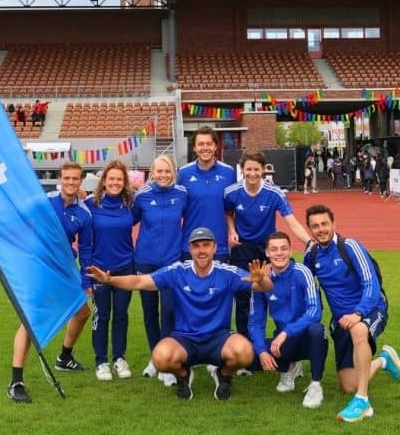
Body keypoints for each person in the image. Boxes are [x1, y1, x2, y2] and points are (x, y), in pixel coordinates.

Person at [85, 227, 272, 401]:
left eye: (206, 245)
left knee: (245, 352)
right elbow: (139, 282)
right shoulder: (177, 271)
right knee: (160, 357)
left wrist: (262, 281)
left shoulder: (227, 273)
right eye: (196, 246)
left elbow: (264, 287)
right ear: (189, 249)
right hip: (185, 339)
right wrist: (109, 279)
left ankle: (223, 375)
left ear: (215, 248)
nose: (201, 250)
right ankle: (184, 375)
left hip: (218, 338)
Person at [303, 203, 400, 423]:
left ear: (333, 224)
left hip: (370, 308)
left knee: (359, 331)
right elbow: (303, 286)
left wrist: (358, 313)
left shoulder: (350, 246)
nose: (320, 229)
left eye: (324, 224)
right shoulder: (311, 256)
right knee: (348, 385)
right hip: (342, 320)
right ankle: (383, 361)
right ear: (309, 230)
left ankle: (362, 402)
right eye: (315, 226)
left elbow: (371, 283)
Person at [6, 161, 93, 404]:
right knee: (30, 321)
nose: (70, 183)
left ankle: (64, 357)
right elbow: (14, 213)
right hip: (40, 268)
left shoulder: (84, 213)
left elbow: (85, 249)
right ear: (60, 179)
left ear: (80, 181)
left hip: (65, 269)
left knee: (83, 312)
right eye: (67, 178)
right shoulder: (44, 202)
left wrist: (86, 279)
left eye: (75, 179)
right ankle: (16, 380)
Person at [224, 149, 312, 340]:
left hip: (267, 251)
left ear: (263, 170)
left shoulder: (274, 193)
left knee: (277, 295)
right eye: (248, 169)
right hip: (241, 250)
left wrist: (310, 242)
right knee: (243, 298)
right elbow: (228, 213)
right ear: (242, 170)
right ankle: (245, 347)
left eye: (256, 169)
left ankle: (288, 343)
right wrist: (231, 229)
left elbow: (291, 220)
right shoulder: (232, 192)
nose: (252, 173)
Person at [248, 231, 327, 408]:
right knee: (245, 356)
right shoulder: (263, 279)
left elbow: (315, 311)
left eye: (284, 248)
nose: (279, 253)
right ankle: (289, 367)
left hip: (304, 335)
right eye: (274, 249)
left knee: (317, 330)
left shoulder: (302, 272)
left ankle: (315, 385)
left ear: (291, 251)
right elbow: (255, 321)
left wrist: (286, 332)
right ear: (267, 253)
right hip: (283, 342)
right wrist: (261, 351)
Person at [132, 153, 188, 386]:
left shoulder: (182, 195)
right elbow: (128, 221)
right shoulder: (142, 196)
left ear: (173, 173)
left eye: (168, 171)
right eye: (159, 171)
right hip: (145, 261)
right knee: (149, 312)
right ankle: (155, 358)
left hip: (172, 263)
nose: (163, 175)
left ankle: (166, 359)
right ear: (152, 173)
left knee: (168, 311)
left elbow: (192, 219)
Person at [85, 159, 136, 381]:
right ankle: (101, 361)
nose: (115, 182)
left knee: (122, 315)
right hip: (98, 270)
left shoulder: (131, 205)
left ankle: (118, 357)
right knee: (102, 315)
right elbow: (84, 240)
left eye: (119, 179)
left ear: (124, 182)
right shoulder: (90, 204)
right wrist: (86, 276)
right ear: (104, 181)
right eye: (111, 178)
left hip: (125, 268)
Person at [179, 126, 234, 261]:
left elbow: (230, 210)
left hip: (219, 245)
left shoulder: (228, 172)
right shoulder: (183, 173)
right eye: (200, 144)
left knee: (219, 283)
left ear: (215, 146)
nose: (205, 147)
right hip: (190, 245)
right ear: (194, 148)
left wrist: (232, 231)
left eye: (209, 143)